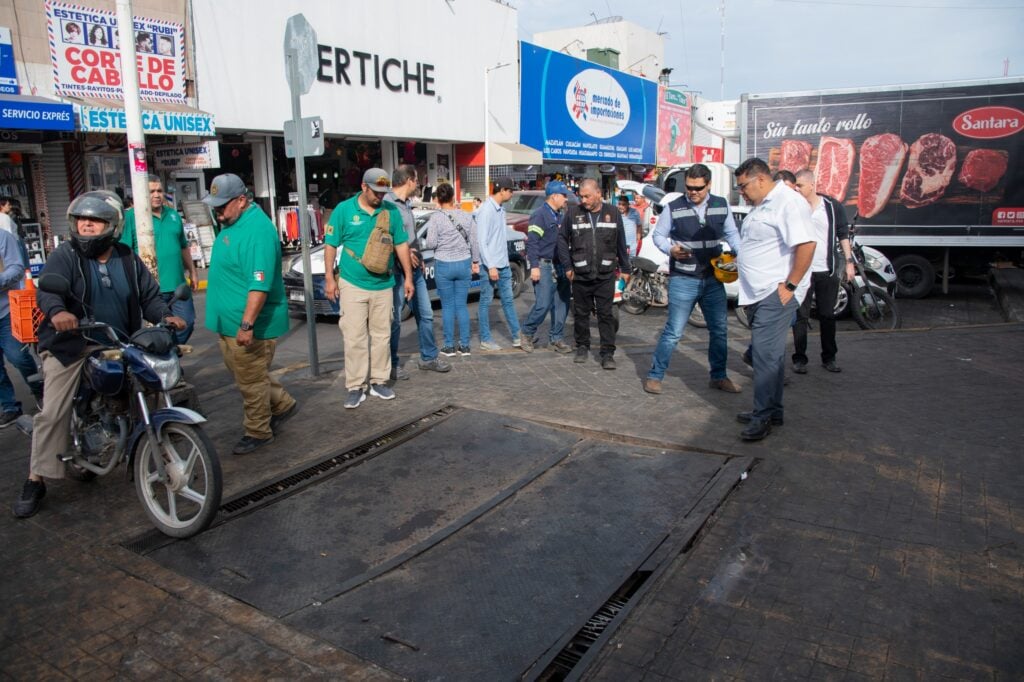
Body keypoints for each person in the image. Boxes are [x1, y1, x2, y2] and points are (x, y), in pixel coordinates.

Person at [12, 191, 186, 518]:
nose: (87, 226)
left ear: (112, 225)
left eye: (94, 220)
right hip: (73, 343)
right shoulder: (65, 255)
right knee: (54, 411)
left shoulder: (127, 258)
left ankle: (151, 442)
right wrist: (58, 313)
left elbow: (149, 296)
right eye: (82, 220)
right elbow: (48, 291)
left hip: (118, 339)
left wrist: (165, 315)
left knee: (150, 384)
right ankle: (36, 478)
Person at [202, 174, 297, 455]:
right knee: (246, 375)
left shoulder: (257, 231)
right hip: (228, 323)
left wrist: (246, 325)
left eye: (222, 206)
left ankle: (258, 431)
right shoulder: (233, 222)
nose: (217, 213)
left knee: (251, 381)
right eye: (214, 206)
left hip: (246, 327)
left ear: (241, 201)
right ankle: (282, 404)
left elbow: (259, 284)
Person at [733, 158, 816, 441]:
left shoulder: (787, 202)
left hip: (774, 293)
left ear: (760, 179)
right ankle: (773, 411)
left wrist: (791, 284)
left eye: (743, 186)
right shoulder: (762, 204)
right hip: (757, 293)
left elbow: (806, 244)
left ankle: (763, 416)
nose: (741, 192)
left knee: (764, 357)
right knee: (772, 357)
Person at [643, 164, 742, 395]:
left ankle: (718, 376)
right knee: (674, 331)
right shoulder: (674, 207)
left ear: (708, 185)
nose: (693, 192)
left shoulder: (721, 205)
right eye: (689, 187)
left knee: (719, 330)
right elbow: (659, 235)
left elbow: (732, 234)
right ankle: (655, 375)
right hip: (683, 278)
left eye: (698, 188)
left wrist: (741, 253)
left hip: (712, 278)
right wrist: (670, 249)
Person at [324, 168, 414, 409]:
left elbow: (401, 245)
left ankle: (379, 381)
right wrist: (330, 279)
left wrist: (408, 277)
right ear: (364, 187)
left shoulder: (391, 211)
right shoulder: (344, 210)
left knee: (382, 336)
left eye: (383, 192)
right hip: (352, 283)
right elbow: (331, 245)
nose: (380, 197)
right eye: (376, 192)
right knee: (354, 337)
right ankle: (355, 386)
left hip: (384, 284)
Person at [557, 177, 631, 369]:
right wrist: (567, 266)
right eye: (581, 196)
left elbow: (620, 242)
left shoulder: (613, 213)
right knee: (581, 314)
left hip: (605, 274)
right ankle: (582, 346)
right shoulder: (573, 213)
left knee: (606, 314)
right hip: (580, 274)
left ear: (598, 193)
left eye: (587, 196)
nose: (584, 200)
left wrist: (625, 268)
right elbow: (561, 240)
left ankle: (607, 353)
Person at [386, 164, 450, 377]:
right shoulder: (387, 204)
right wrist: (403, 258)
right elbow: (386, 240)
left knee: (426, 314)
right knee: (394, 321)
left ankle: (429, 358)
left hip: (415, 271)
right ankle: (391, 365)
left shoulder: (406, 204)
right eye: (417, 180)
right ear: (409, 180)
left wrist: (418, 257)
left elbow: (411, 238)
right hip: (395, 272)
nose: (419, 185)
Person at [119, 175, 199, 344]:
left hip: (178, 285)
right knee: (159, 328)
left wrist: (193, 272)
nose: (156, 195)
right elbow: (123, 252)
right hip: (152, 289)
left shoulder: (173, 215)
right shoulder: (132, 217)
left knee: (187, 322)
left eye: (159, 191)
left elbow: (183, 246)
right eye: (151, 191)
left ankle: (170, 352)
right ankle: (167, 360)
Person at [791, 169, 856, 373]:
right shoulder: (793, 207)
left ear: (812, 185)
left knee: (827, 315)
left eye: (800, 185)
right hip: (802, 271)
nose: (797, 189)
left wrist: (848, 261)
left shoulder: (831, 206)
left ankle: (829, 357)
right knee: (801, 316)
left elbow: (842, 234)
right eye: (795, 186)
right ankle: (800, 359)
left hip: (825, 269)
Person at [422, 183, 478, 356]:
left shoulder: (436, 218)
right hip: (463, 263)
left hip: (444, 264)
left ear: (438, 199)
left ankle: (449, 345)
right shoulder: (466, 216)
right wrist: (475, 261)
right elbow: (475, 241)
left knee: (447, 307)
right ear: (453, 197)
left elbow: (430, 243)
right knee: (461, 305)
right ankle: (465, 345)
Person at [519, 181, 572, 354]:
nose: (566, 199)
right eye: (564, 196)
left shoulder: (560, 215)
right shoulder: (540, 215)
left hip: (560, 265)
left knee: (562, 303)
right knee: (543, 304)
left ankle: (556, 338)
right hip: (544, 265)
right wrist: (534, 266)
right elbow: (532, 242)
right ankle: (527, 332)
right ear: (555, 196)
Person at [0, 228, 43, 428]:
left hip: (7, 310)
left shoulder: (3, 236)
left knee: (17, 356)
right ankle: (10, 407)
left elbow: (17, 268)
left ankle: (39, 390)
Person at [476, 177, 523, 352]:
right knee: (486, 301)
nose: (512, 194)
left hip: (503, 263)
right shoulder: (486, 210)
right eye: (511, 191)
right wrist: (491, 266)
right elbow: (482, 241)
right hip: (490, 266)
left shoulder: (500, 210)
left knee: (509, 301)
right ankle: (485, 339)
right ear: (502, 190)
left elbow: (499, 238)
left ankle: (518, 336)